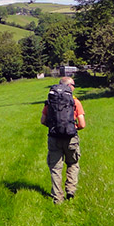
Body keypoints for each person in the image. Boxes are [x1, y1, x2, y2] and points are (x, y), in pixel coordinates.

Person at [41, 76, 86, 204]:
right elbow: (82, 124)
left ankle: (57, 198)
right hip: (70, 138)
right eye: (74, 85)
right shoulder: (75, 101)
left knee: (55, 168)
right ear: (70, 86)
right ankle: (70, 190)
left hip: (54, 137)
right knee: (72, 163)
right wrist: (71, 127)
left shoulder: (50, 101)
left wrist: (54, 127)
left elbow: (43, 121)